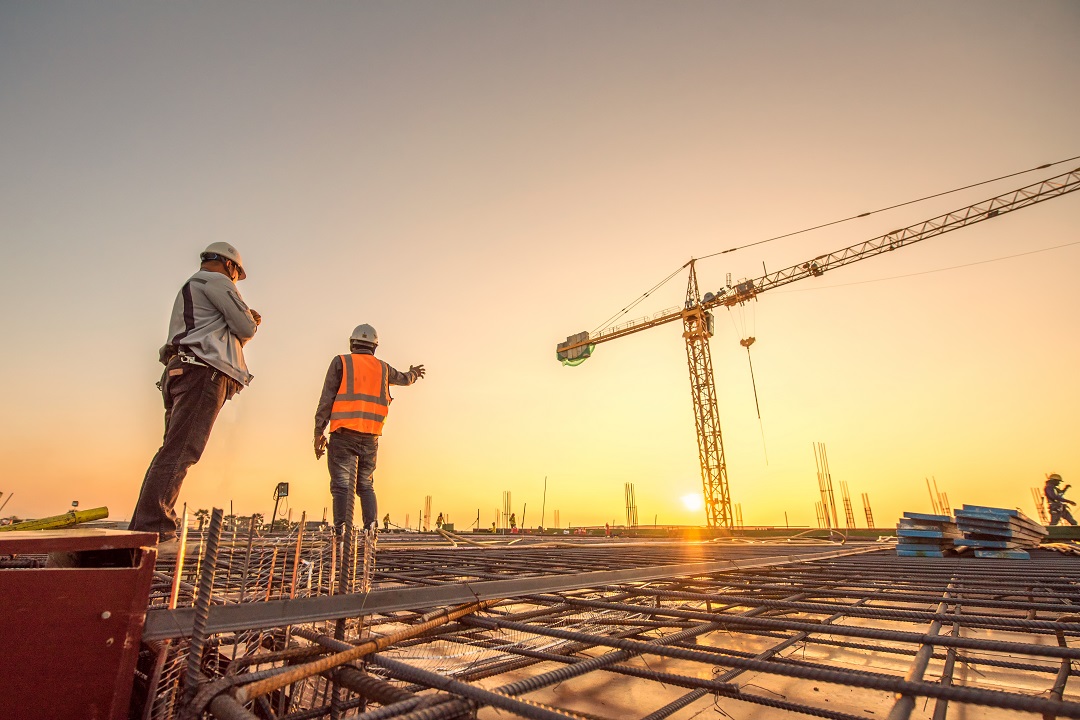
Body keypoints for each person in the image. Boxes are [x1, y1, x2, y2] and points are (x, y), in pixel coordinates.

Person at [129, 243, 260, 552]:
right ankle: (156, 530)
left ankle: (144, 529)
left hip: (181, 371)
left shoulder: (192, 286)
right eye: (237, 276)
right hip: (201, 373)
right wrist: (250, 320)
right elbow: (244, 327)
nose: (236, 282)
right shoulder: (216, 282)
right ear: (230, 267)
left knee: (172, 450)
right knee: (181, 451)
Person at [314, 324, 425, 534]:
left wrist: (318, 431)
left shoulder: (342, 362)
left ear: (352, 343)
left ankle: (342, 532)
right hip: (371, 437)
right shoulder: (383, 368)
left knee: (341, 485)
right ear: (374, 346)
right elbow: (404, 378)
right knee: (365, 485)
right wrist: (414, 373)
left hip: (343, 434)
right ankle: (370, 529)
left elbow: (326, 398)